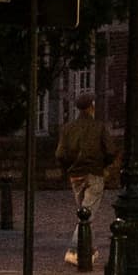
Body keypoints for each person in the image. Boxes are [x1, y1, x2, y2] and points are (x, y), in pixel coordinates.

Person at [55, 92, 112, 264]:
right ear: (92, 107)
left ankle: (89, 248)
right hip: (94, 172)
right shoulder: (99, 127)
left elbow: (60, 154)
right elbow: (110, 150)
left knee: (84, 212)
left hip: (75, 174)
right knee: (87, 214)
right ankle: (74, 250)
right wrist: (103, 164)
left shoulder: (68, 128)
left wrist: (68, 168)